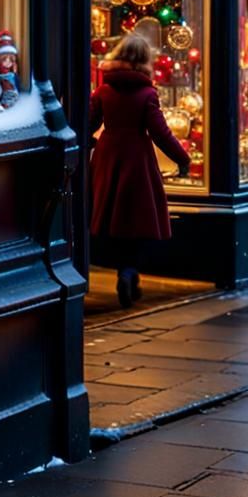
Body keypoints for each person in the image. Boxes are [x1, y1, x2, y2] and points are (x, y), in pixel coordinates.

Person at [90, 33, 191, 308]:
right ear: (145, 60)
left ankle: (123, 270)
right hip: (137, 158)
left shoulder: (103, 91)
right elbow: (161, 132)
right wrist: (183, 159)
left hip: (108, 156)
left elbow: (88, 122)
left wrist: (88, 142)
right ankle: (129, 270)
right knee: (138, 220)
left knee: (109, 217)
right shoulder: (148, 94)